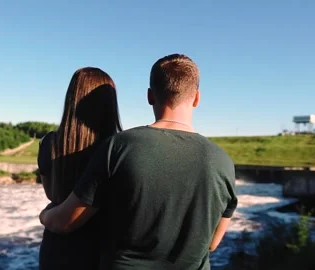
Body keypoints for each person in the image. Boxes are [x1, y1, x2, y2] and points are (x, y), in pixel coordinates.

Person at [40, 54, 238, 270]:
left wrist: (45, 214)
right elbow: (212, 243)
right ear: (197, 98)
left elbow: (67, 221)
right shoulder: (224, 162)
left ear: (150, 96)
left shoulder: (120, 147)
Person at [37, 67, 122, 270]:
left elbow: (51, 194)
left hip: (56, 249)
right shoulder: (118, 149)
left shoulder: (49, 143)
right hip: (102, 249)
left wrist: (47, 215)